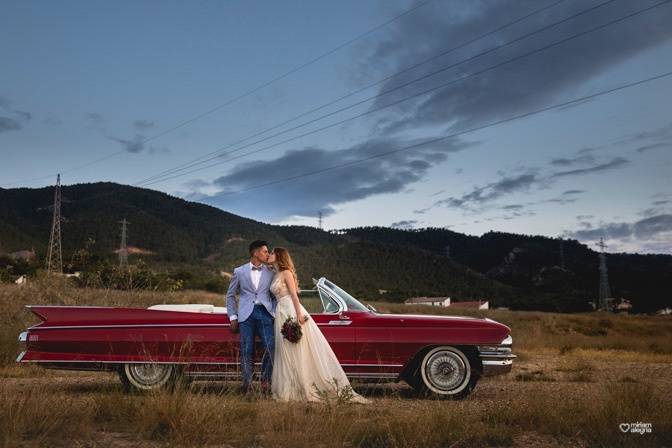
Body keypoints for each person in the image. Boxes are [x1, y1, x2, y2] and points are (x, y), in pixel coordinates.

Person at [268, 247, 370, 404]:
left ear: (279, 256)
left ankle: (303, 387)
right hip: (280, 311)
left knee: (296, 348)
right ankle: (289, 387)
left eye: (273, 253)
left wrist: (299, 315)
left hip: (290, 310)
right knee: (284, 349)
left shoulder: (287, 273)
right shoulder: (275, 274)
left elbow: (294, 296)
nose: (269, 255)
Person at [226, 240, 276, 394]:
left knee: (271, 347)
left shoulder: (271, 272)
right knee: (246, 349)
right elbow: (230, 295)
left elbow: (274, 296)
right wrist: (233, 317)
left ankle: (265, 382)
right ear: (255, 253)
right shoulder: (239, 271)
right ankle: (247, 385)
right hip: (246, 315)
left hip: (265, 313)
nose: (268, 254)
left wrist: (273, 311)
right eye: (265, 251)